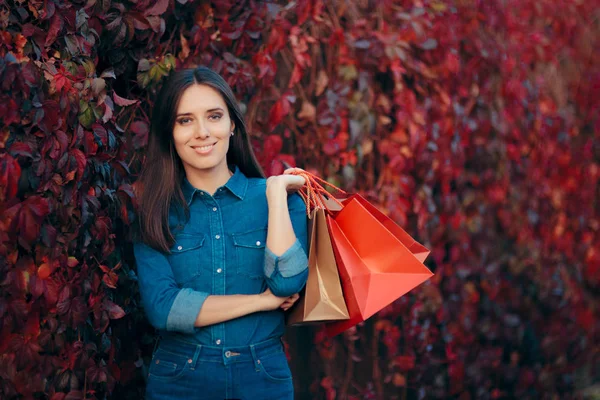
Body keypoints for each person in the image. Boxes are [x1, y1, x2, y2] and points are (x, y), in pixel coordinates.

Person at [133, 66, 309, 400]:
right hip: (180, 379)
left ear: (232, 126)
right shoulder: (155, 212)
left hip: (262, 377)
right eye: (185, 120)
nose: (201, 132)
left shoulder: (281, 200)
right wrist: (261, 302)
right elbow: (164, 308)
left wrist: (274, 194)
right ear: (169, 132)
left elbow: (286, 283)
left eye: (214, 116)